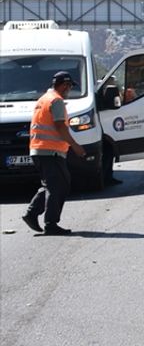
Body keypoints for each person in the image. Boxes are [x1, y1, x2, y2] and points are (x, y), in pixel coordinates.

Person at [20, 71, 87, 235]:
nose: (69, 90)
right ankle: (50, 223)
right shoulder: (56, 100)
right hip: (50, 151)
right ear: (64, 85)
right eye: (69, 86)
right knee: (59, 185)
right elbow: (60, 126)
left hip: (40, 149)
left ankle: (32, 214)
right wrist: (75, 145)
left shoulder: (43, 99)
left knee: (52, 184)